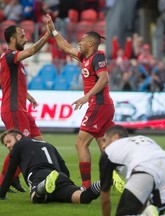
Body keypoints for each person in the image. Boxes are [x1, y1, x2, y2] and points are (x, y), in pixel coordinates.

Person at [45, 14, 115, 189]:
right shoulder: (85, 57)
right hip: (103, 105)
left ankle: (85, 186)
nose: (80, 42)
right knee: (104, 145)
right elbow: (66, 47)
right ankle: (113, 177)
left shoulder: (98, 56)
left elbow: (104, 78)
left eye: (83, 40)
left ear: (91, 43)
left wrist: (86, 96)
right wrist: (53, 30)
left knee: (80, 143)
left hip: (99, 104)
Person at [0, 21, 51, 192]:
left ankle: (15, 178)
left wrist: (28, 96)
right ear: (13, 39)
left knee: (38, 142)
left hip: (21, 108)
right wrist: (47, 35)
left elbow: (9, 84)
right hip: (14, 109)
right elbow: (33, 50)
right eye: (22, 36)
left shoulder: (13, 61)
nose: (26, 38)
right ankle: (3, 183)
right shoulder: (10, 56)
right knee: (21, 146)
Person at [0, 129, 101, 204]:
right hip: (59, 176)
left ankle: (42, 187)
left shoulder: (18, 145)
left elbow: (10, 172)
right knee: (83, 198)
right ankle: (103, 183)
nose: (8, 146)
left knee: (36, 199)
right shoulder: (48, 144)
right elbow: (64, 169)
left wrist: (2, 194)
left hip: (38, 175)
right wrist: (66, 183)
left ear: (18, 137)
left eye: (9, 141)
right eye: (5, 145)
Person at [99, 125, 165, 216]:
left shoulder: (109, 151)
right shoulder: (142, 139)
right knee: (154, 213)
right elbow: (143, 195)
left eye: (104, 140)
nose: (103, 146)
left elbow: (105, 198)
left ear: (115, 137)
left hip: (145, 168)